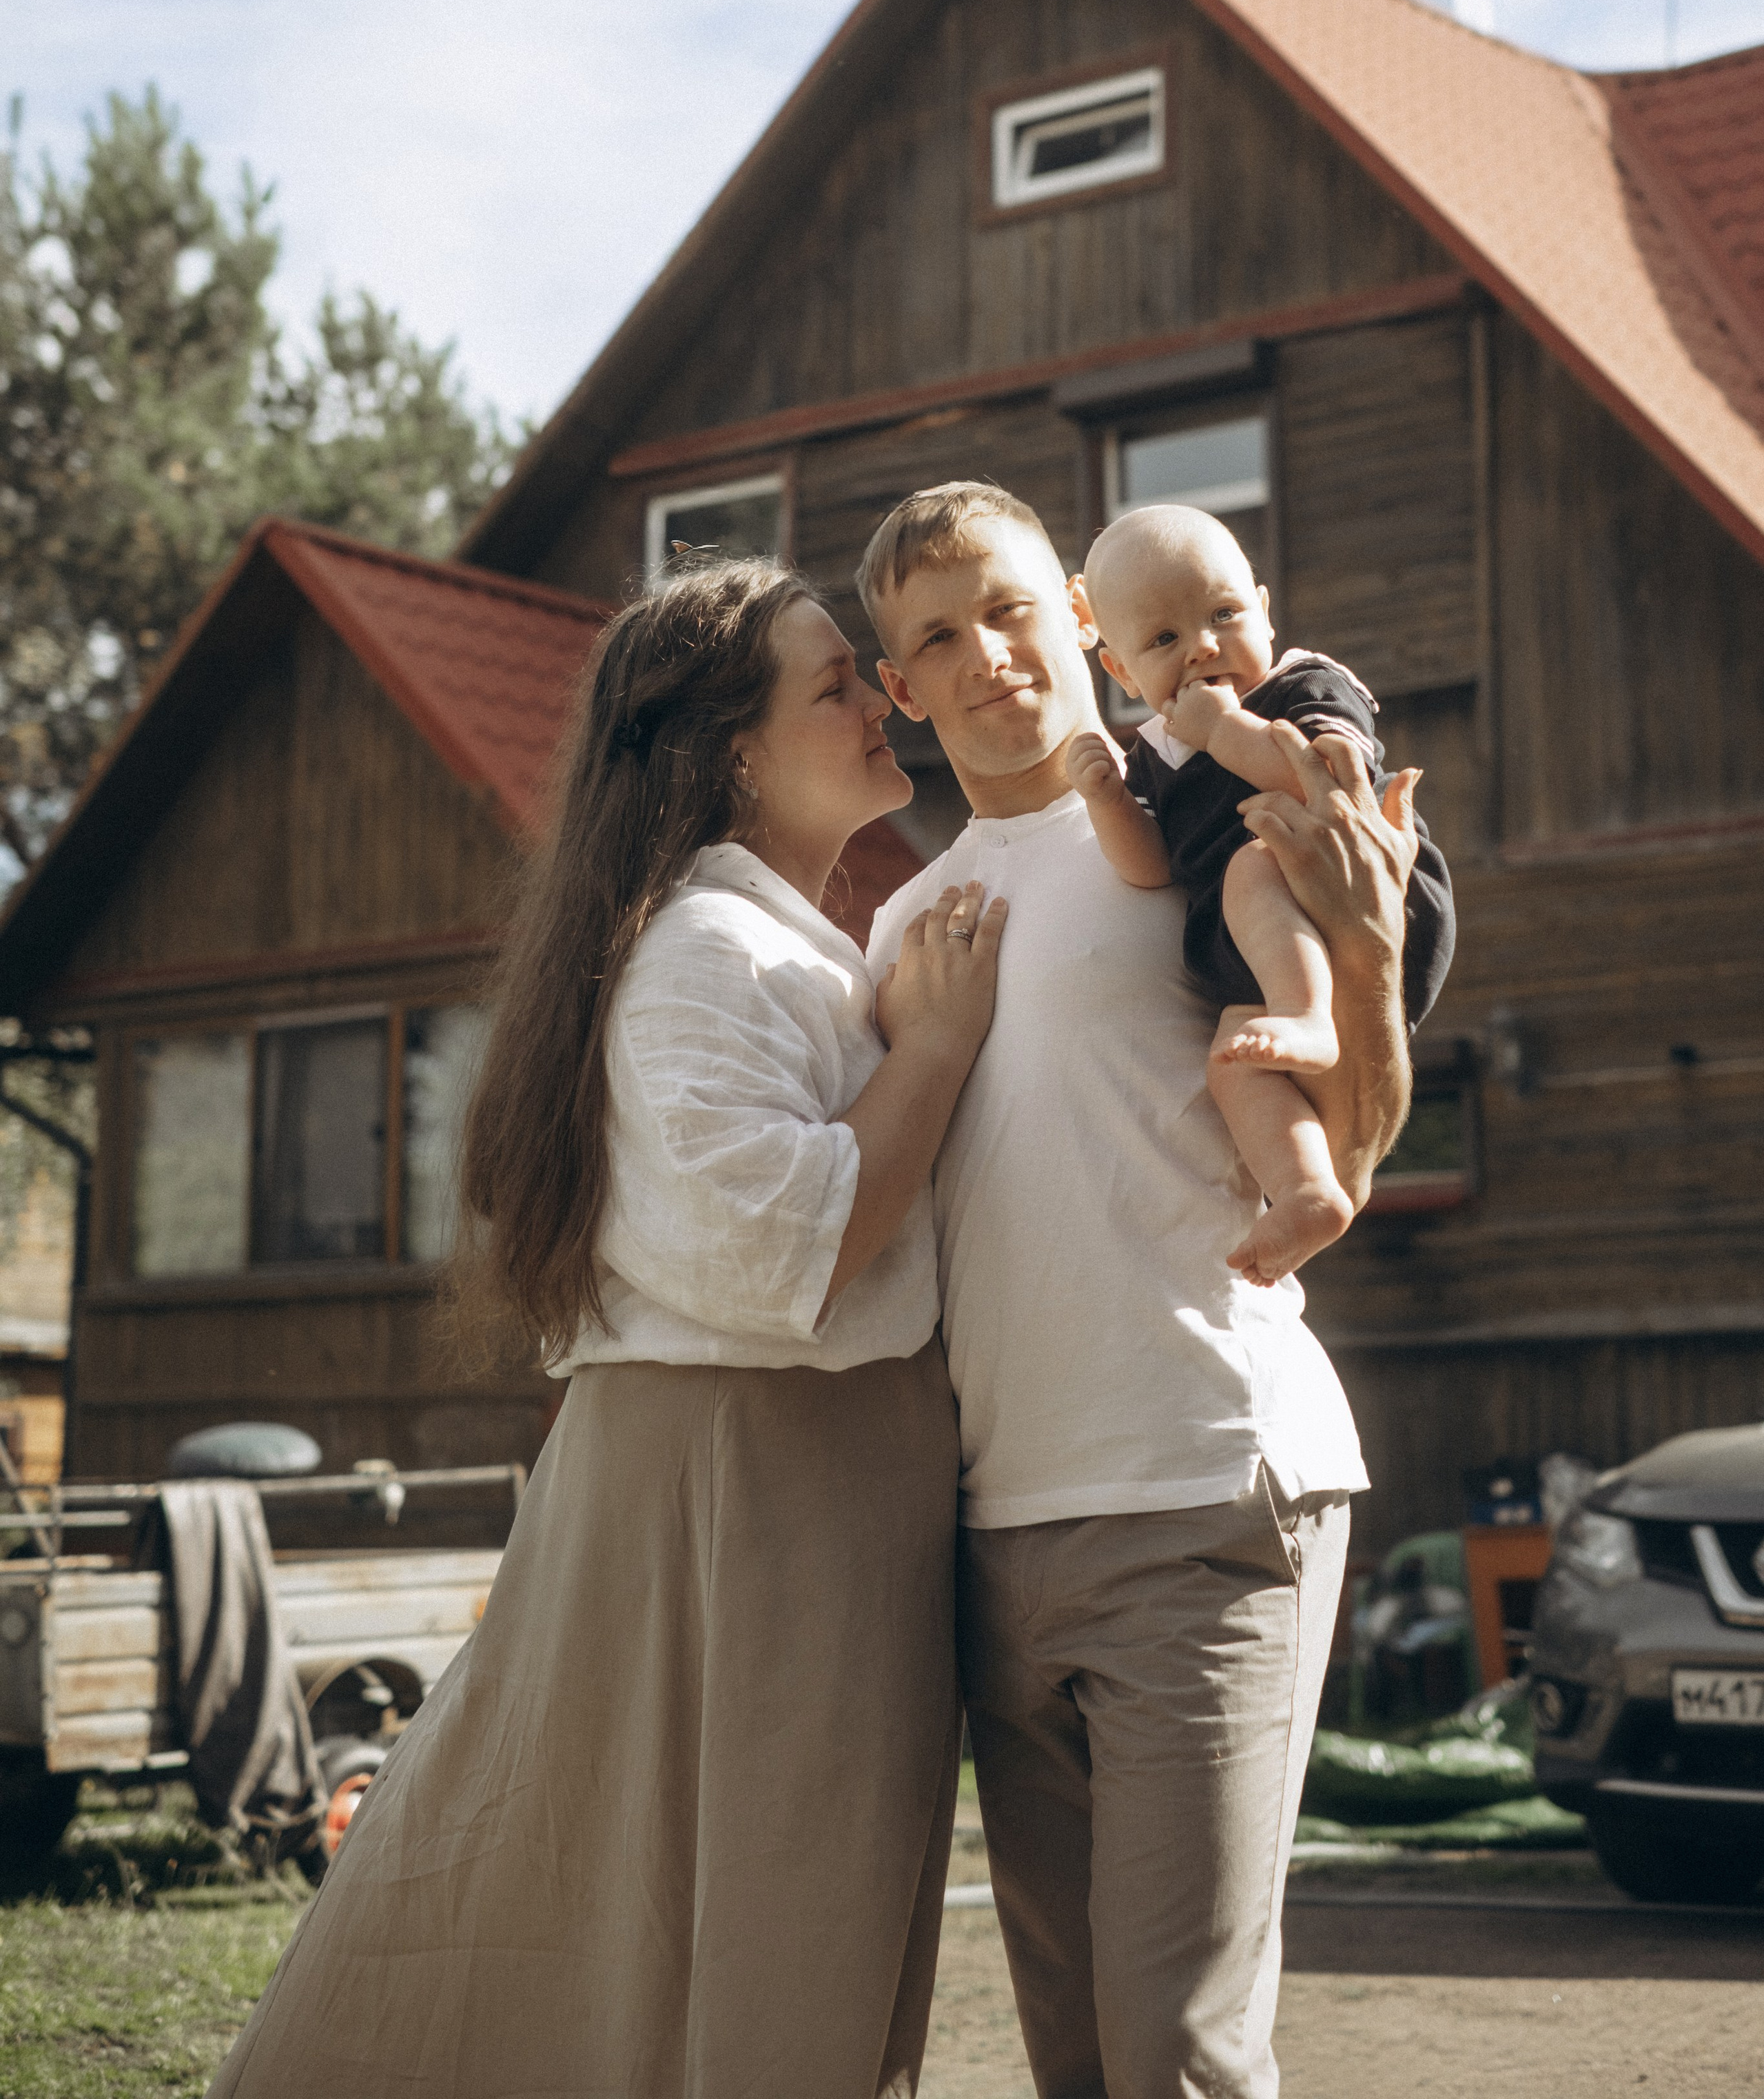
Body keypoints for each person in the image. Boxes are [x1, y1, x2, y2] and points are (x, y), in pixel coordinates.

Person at [208, 557, 1005, 2099]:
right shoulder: (702, 956)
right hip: (745, 1489)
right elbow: (806, 1241)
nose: (874, 697)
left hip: (775, 1488)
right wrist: (943, 1046)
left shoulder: (776, 945)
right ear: (732, 756)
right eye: (832, 678)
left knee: (720, 1932)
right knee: (742, 1936)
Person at [861, 481, 1435, 2099]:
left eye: (1011, 611)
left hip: (1206, 1481)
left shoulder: (1199, 834)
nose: (986, 656)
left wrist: (1369, 960)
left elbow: (1354, 1123)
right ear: (898, 688)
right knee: (1077, 2059)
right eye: (934, 638)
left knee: (1178, 2053)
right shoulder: (904, 932)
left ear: (1081, 625)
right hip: (992, 1539)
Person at [1065, 500, 1454, 1287]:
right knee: (1233, 1067)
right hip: (1258, 954)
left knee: (1251, 862)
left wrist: (1226, 733)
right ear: (1119, 670)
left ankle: (1310, 1017)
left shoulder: (1302, 685)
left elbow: (1327, 785)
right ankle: (1309, 1193)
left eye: (1223, 613)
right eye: (1165, 639)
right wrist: (1108, 801)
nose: (1204, 648)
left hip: (1361, 899)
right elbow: (1151, 871)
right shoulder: (1158, 756)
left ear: (1265, 613)